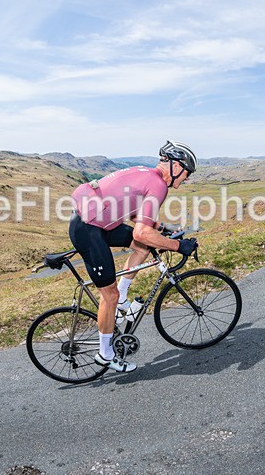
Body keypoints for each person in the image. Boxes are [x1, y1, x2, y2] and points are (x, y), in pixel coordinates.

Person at [69, 140, 198, 373]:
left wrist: (161, 228)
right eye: (187, 173)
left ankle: (123, 297)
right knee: (109, 295)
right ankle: (105, 354)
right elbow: (141, 231)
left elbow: (131, 209)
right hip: (89, 230)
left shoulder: (147, 174)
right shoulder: (159, 185)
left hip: (97, 222)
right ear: (176, 167)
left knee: (142, 248)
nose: (186, 179)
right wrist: (178, 246)